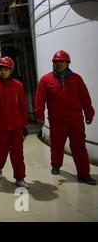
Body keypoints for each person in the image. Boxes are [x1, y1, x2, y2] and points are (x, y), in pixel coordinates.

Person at [34, 50, 96, 185]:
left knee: (79, 147)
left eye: (61, 61)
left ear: (68, 63)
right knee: (56, 145)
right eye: (55, 62)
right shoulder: (46, 80)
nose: (58, 64)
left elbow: (85, 98)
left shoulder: (76, 79)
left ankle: (84, 174)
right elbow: (39, 99)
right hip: (57, 121)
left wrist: (89, 113)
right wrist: (39, 115)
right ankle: (56, 165)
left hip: (75, 121)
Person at [0, 56, 30, 189]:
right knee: (0, 153)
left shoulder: (18, 86)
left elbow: (23, 106)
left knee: (18, 154)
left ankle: (20, 178)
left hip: (16, 126)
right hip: (0, 126)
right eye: (1, 69)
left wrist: (23, 124)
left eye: (6, 69)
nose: (3, 72)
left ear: (11, 70)